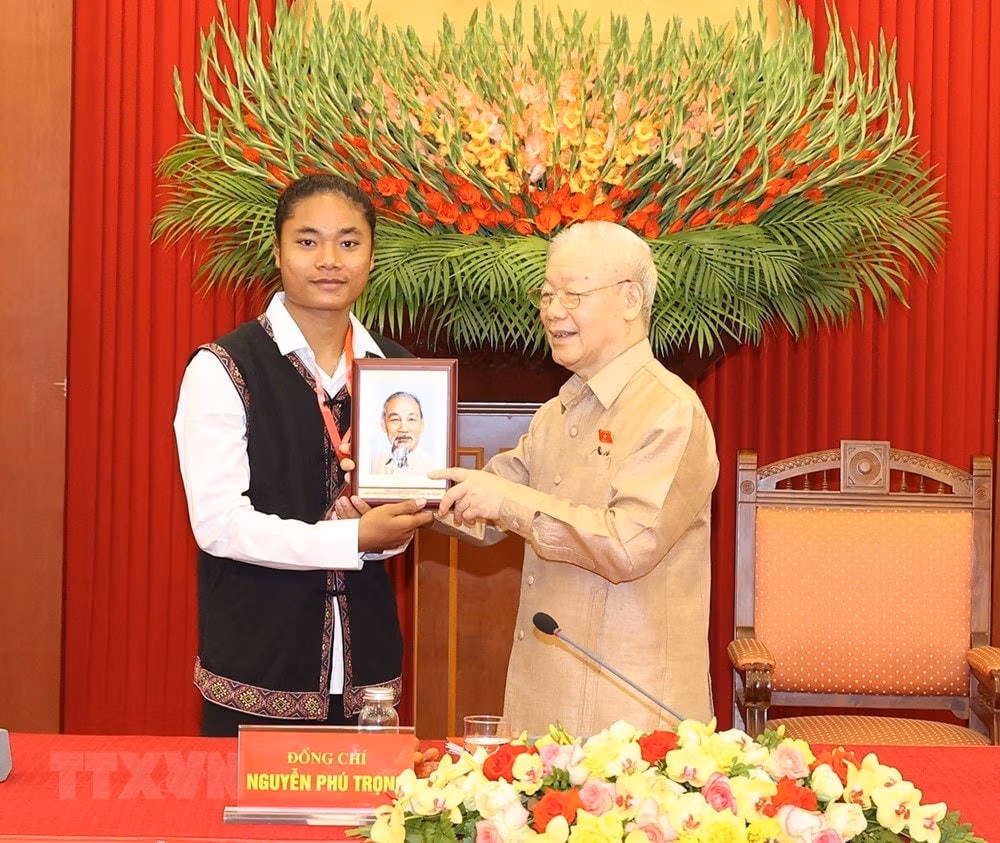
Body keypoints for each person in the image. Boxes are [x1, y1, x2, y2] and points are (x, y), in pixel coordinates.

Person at [429, 221, 719, 737]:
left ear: (630, 299)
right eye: (546, 295)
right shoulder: (557, 412)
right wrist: (402, 493)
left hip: (631, 718)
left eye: (572, 295)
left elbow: (629, 545)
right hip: (545, 705)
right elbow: (487, 504)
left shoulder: (670, 411)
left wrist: (506, 501)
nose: (552, 311)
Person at [173, 173, 433, 736]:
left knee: (369, 799)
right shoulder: (223, 367)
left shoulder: (399, 370)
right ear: (278, 250)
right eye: (308, 241)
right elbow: (219, 525)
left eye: (349, 242)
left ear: (371, 255)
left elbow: (402, 510)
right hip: (257, 662)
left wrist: (390, 528)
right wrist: (349, 538)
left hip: (368, 667)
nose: (329, 260)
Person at [371, 391, 436, 475]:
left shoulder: (435, 467)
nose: (403, 429)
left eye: (411, 419)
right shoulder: (372, 465)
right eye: (395, 419)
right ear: (383, 426)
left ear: (422, 425)